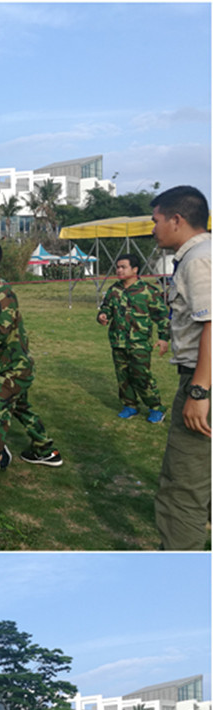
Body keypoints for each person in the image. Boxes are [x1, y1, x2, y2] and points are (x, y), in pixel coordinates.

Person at [150, 185, 211, 549]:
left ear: (176, 219)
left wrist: (199, 391)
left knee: (182, 488)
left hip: (203, 380)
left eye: (156, 220)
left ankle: (178, 562)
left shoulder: (199, 259)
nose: (153, 228)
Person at [96, 253, 169, 422]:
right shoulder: (114, 290)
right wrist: (102, 316)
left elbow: (162, 317)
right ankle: (130, 406)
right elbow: (106, 308)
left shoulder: (148, 291)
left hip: (139, 343)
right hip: (118, 342)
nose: (119, 270)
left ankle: (156, 408)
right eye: (118, 267)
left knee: (141, 376)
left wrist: (164, 338)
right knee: (123, 376)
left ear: (135, 269)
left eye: (123, 267)